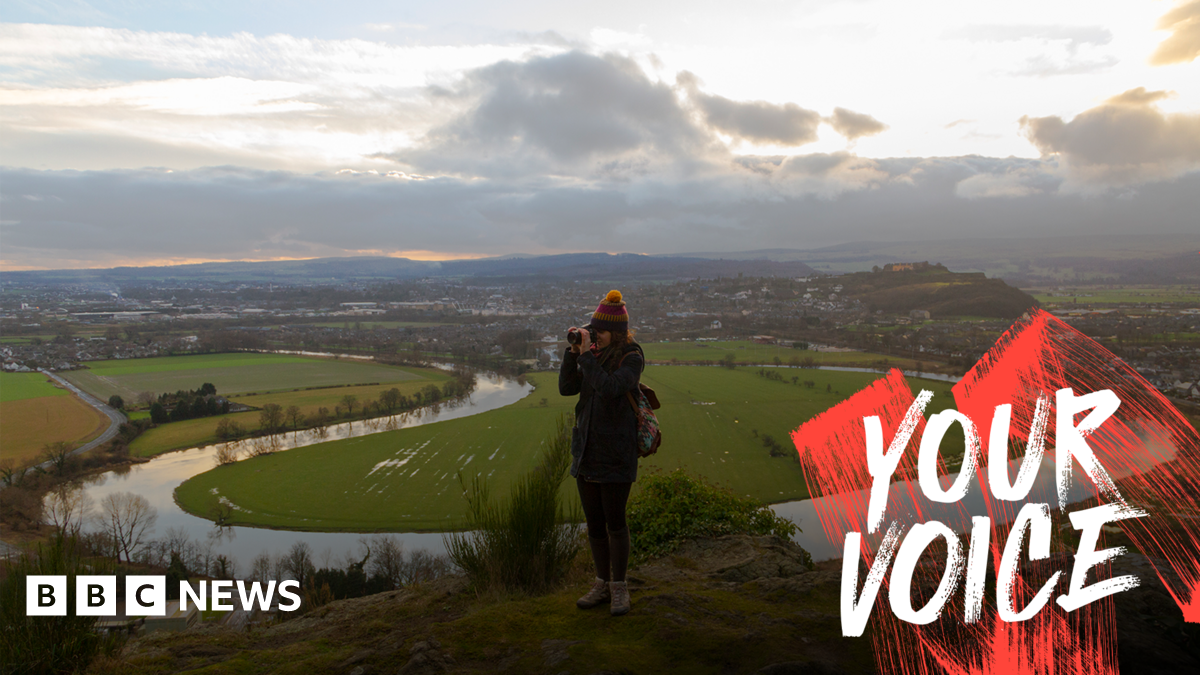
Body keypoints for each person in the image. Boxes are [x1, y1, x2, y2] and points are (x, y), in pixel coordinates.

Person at [558, 289, 644, 616]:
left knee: (615, 522)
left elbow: (610, 389)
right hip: (587, 451)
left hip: (617, 452)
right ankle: (601, 584)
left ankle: (619, 587)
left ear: (619, 333)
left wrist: (587, 358)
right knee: (594, 524)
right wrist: (573, 352)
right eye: (594, 331)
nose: (597, 336)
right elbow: (567, 388)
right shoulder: (591, 354)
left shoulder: (631, 357)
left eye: (601, 332)